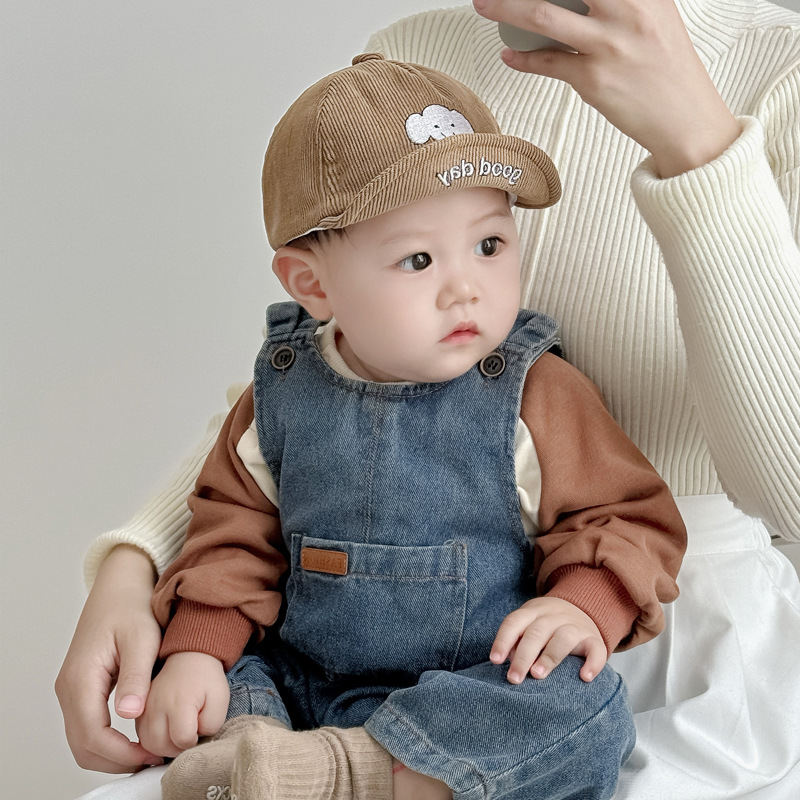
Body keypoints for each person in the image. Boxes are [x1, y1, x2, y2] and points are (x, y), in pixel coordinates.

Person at [58, 1, 800, 798]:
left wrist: (699, 145)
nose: (465, 290)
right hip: (313, 664)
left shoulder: (778, 68)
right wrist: (143, 571)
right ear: (305, 284)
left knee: (575, 708)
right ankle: (261, 753)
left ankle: (355, 772)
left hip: (606, 634)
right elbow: (282, 435)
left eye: (491, 245)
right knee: (232, 681)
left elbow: (717, 503)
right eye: (418, 259)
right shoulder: (411, 60)